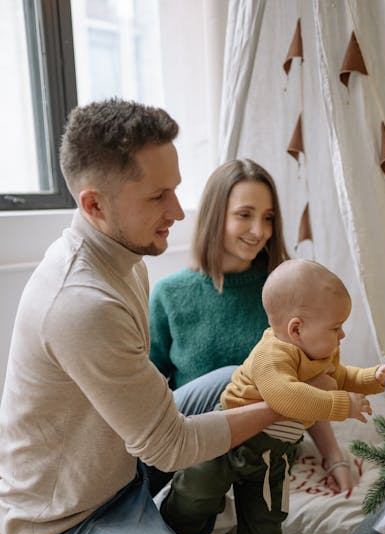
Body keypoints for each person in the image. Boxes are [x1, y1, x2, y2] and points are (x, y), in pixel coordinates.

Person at [0, 99, 286, 534]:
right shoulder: (82, 302)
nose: (179, 211)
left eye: (175, 189)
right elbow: (170, 445)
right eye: (159, 196)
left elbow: (155, 418)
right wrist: (280, 402)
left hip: (116, 469)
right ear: (94, 204)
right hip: (64, 528)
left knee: (233, 379)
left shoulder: (124, 255)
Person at [161, 259, 385, 534]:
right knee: (196, 491)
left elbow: (345, 377)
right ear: (296, 329)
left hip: (273, 451)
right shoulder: (270, 356)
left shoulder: (321, 351)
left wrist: (376, 377)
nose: (342, 335)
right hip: (229, 438)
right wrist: (340, 405)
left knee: (267, 513)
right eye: (336, 327)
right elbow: (286, 396)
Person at [148, 159, 354, 497]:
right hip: (202, 451)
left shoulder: (286, 294)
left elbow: (307, 381)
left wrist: (334, 457)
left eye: (268, 217)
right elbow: (153, 395)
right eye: (245, 215)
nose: (260, 230)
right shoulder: (170, 295)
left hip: (272, 447)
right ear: (216, 215)